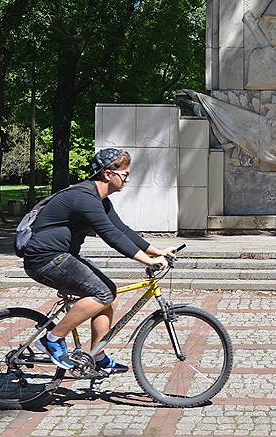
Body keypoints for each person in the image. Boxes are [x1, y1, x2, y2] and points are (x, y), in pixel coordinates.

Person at [22, 148, 175, 372]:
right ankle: (52, 339)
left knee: (109, 293)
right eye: (124, 174)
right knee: (102, 293)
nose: (127, 179)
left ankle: (97, 356)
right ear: (107, 174)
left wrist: (157, 251)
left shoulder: (100, 200)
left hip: (62, 257)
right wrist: (147, 261)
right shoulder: (84, 198)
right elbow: (111, 236)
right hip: (46, 258)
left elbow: (122, 230)